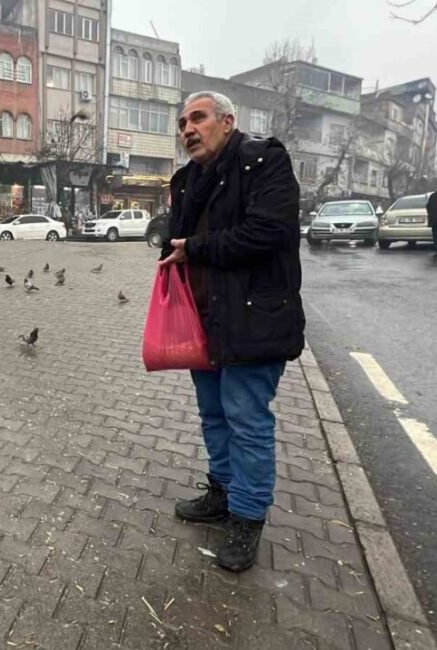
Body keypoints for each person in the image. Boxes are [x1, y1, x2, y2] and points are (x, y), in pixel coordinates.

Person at [158, 91, 305, 573]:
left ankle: (247, 516)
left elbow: (268, 233)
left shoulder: (263, 160)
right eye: (182, 123)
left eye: (197, 118)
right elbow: (177, 240)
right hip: (203, 319)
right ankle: (221, 493)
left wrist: (195, 248)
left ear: (227, 120)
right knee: (214, 415)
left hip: (253, 318)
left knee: (247, 420)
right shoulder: (188, 179)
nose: (187, 130)